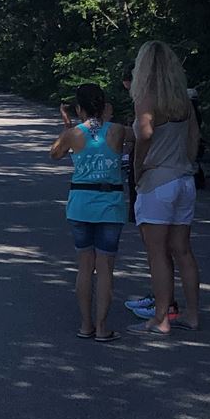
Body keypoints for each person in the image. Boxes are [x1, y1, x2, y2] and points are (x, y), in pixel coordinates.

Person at [131, 40, 201, 335]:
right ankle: (192, 314)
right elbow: (194, 136)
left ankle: (160, 318)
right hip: (184, 178)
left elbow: (144, 134)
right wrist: (187, 162)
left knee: (157, 252)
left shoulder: (146, 98)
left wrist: (138, 169)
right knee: (182, 250)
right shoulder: (183, 100)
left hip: (158, 180)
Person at [49, 84, 128, 341]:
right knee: (105, 268)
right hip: (110, 205)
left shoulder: (73, 134)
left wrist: (66, 125)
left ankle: (86, 325)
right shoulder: (117, 131)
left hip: (81, 204)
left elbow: (55, 154)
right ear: (104, 106)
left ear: (79, 108)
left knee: (85, 266)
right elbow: (142, 135)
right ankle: (103, 327)